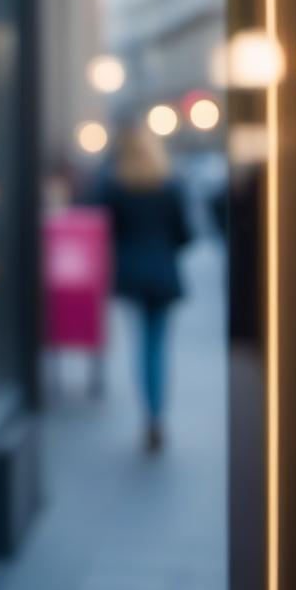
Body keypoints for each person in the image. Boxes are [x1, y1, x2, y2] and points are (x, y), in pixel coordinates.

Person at [92, 124, 192, 454]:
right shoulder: (169, 185)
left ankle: (149, 414)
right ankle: (157, 414)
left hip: (133, 273)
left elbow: (99, 223)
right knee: (158, 343)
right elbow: (185, 233)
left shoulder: (115, 185)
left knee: (144, 344)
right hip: (163, 273)